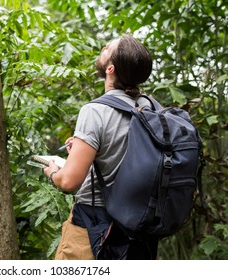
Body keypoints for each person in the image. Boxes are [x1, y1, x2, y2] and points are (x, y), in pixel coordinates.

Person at [43, 34, 159, 260]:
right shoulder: (152, 107)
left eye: (108, 48)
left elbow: (69, 182)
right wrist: (82, 152)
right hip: (140, 230)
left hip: (93, 227)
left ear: (110, 69)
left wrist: (53, 172)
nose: (103, 47)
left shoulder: (96, 110)